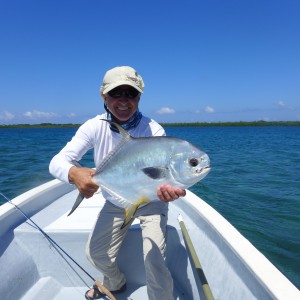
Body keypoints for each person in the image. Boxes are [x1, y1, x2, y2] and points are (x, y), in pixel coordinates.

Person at [49, 66, 186, 300]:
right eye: (116, 93)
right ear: (104, 96)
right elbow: (57, 162)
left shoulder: (153, 129)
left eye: (130, 93)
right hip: (116, 200)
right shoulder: (94, 126)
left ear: (139, 97)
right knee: (96, 254)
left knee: (154, 259)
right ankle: (114, 283)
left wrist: (168, 190)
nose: (124, 100)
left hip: (151, 201)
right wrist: (75, 173)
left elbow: (166, 175)